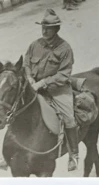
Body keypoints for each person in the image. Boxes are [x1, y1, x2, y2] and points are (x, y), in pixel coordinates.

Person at [23, 10, 79, 171]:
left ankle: (74, 155)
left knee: (69, 118)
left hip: (57, 89)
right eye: (43, 27)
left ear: (56, 29)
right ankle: (10, 152)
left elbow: (63, 74)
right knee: (15, 109)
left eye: (48, 28)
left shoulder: (64, 48)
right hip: (34, 87)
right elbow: (26, 63)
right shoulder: (35, 45)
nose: (44, 30)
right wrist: (30, 78)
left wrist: (42, 83)